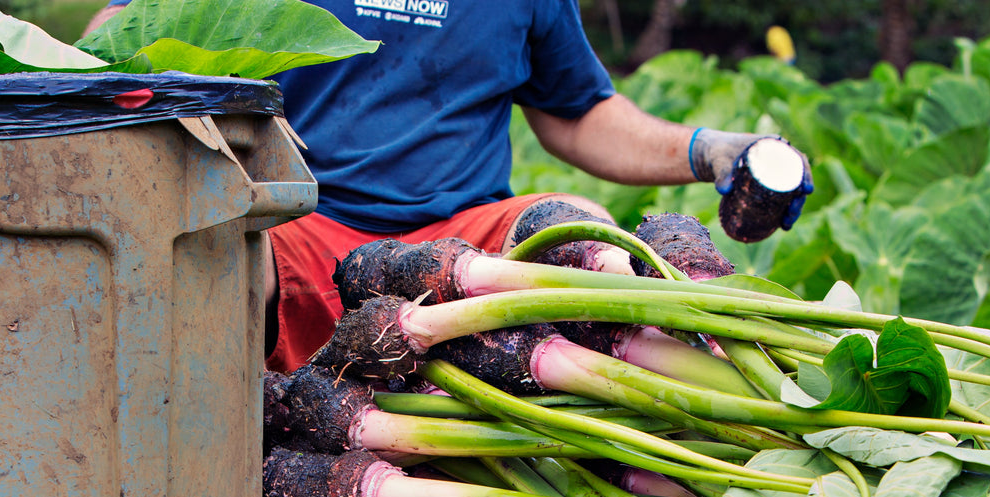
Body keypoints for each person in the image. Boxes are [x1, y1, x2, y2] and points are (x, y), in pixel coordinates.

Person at [87, 1, 813, 371]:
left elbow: (578, 113)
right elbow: (121, 34)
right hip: (298, 223)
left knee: (587, 235)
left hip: (465, 247)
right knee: (219, 258)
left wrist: (708, 150)